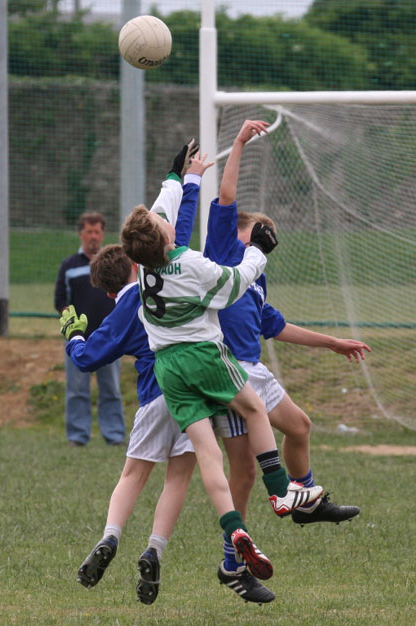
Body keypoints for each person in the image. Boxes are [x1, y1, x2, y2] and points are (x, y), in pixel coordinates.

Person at [120, 136, 324, 590]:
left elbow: (160, 209)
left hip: (168, 369)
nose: (167, 220)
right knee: (253, 409)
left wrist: (179, 176)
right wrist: (258, 252)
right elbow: (234, 283)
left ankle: (233, 526)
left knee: (207, 455)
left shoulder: (145, 263)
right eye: (164, 222)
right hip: (204, 356)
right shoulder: (189, 263)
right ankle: (279, 491)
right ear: (167, 236)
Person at [203, 119, 370, 602]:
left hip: (253, 367)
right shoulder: (221, 251)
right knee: (245, 473)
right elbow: (229, 193)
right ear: (240, 230)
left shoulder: (256, 277)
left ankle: (304, 500)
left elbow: (275, 325)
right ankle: (232, 563)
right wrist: (238, 143)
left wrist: (333, 343)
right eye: (261, 232)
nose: (267, 241)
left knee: (299, 427)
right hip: (227, 371)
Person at [60, 145, 210, 605]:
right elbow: (173, 225)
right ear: (135, 262)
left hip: (154, 396)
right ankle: (154, 550)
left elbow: (87, 360)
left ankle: (110, 537)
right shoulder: (160, 271)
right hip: (191, 390)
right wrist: (184, 179)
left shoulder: (122, 306)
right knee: (178, 479)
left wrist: (73, 336)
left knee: (132, 476)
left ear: (107, 292)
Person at [54, 211, 125, 447]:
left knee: (112, 390)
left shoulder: (114, 264)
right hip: (78, 340)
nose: (93, 236)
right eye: (89, 232)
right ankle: (77, 436)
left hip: (108, 339)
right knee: (76, 390)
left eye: (97, 232)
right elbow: (60, 300)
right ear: (80, 234)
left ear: (102, 233)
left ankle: (114, 436)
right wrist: (72, 327)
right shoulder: (69, 266)